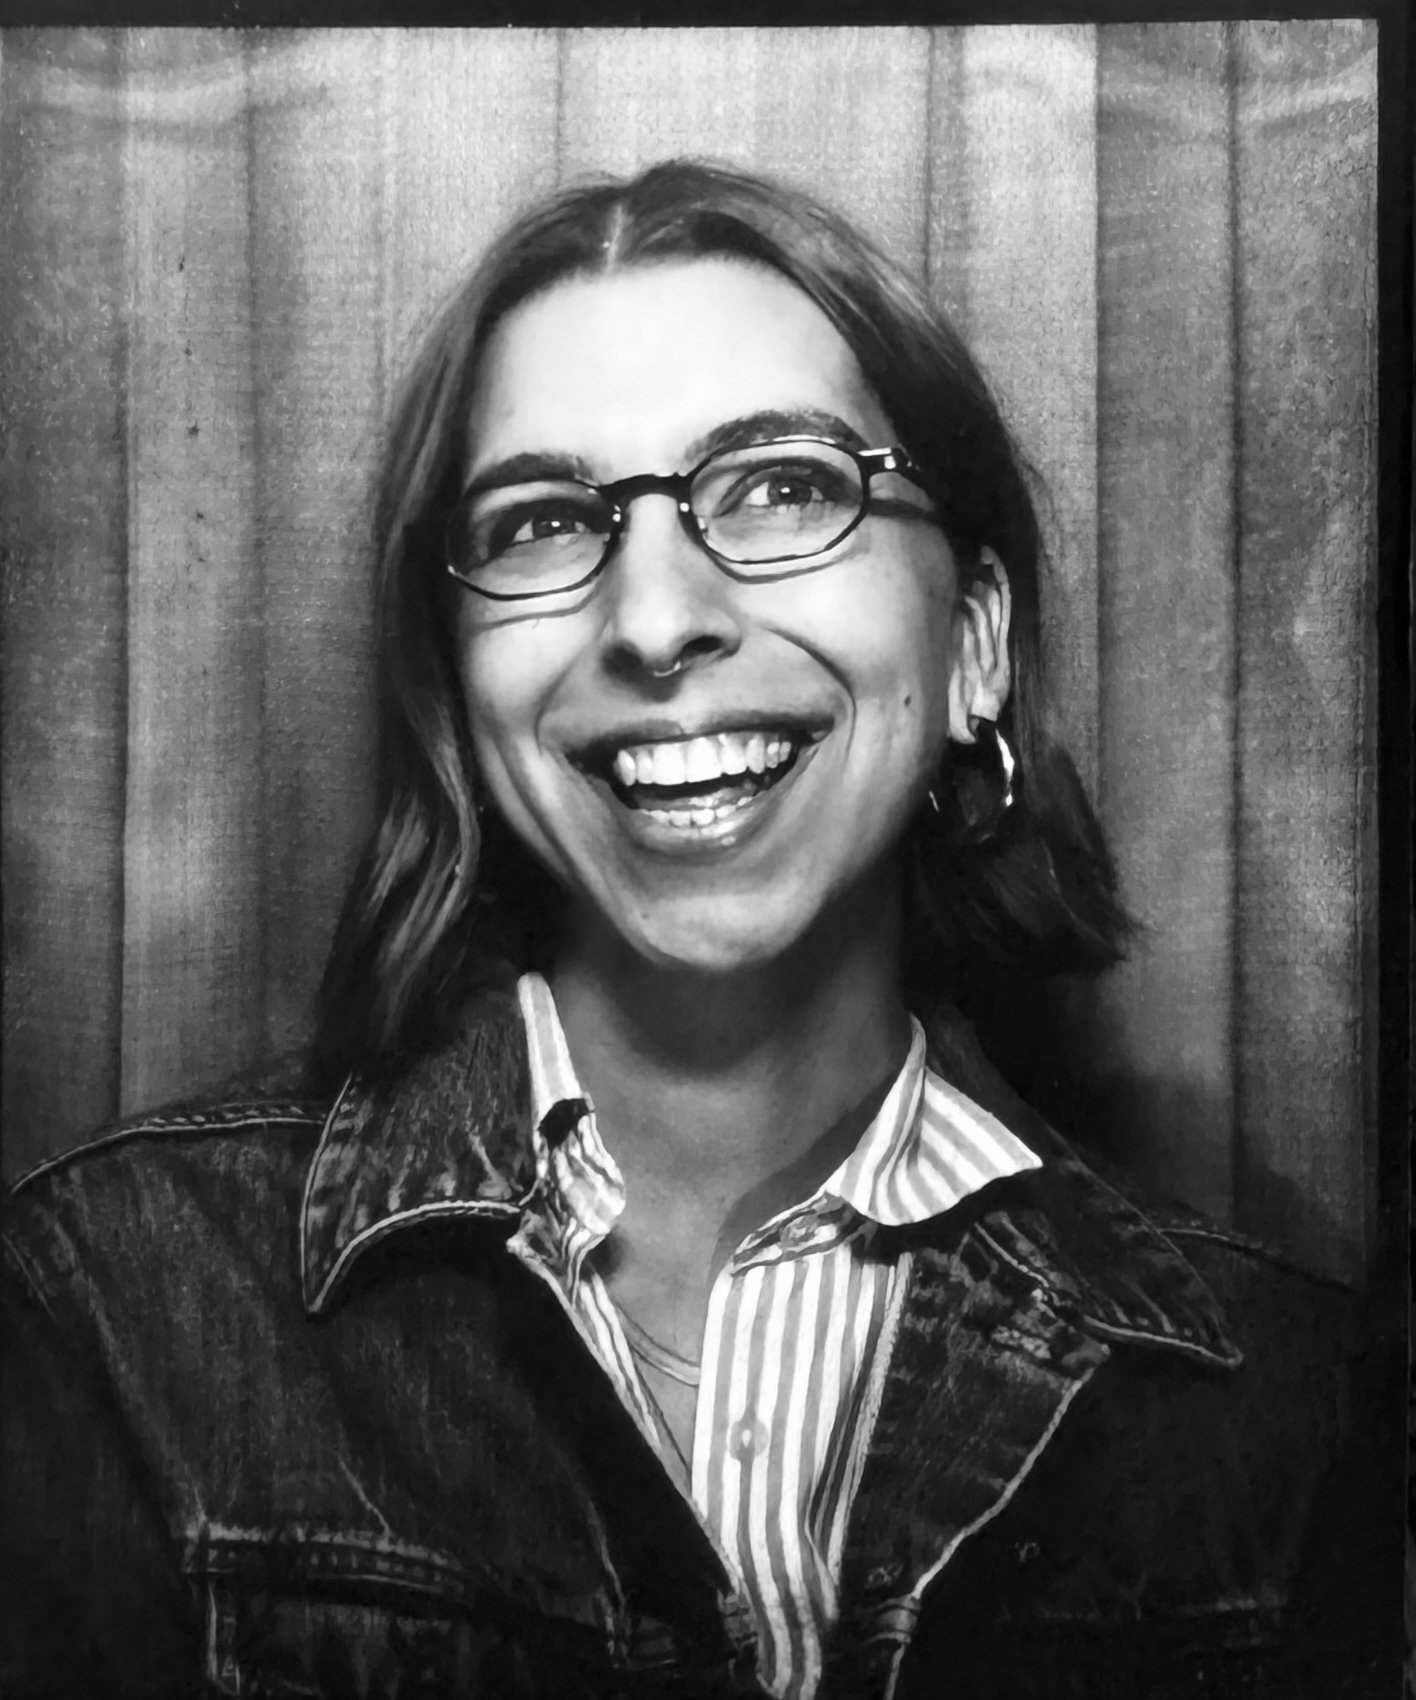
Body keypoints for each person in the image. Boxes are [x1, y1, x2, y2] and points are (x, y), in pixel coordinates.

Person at [1, 161, 1360, 1700]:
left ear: (973, 642)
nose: (654, 618)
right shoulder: (115, 1307)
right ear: (455, 686)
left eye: (785, 485)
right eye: (542, 520)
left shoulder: (1289, 1404)